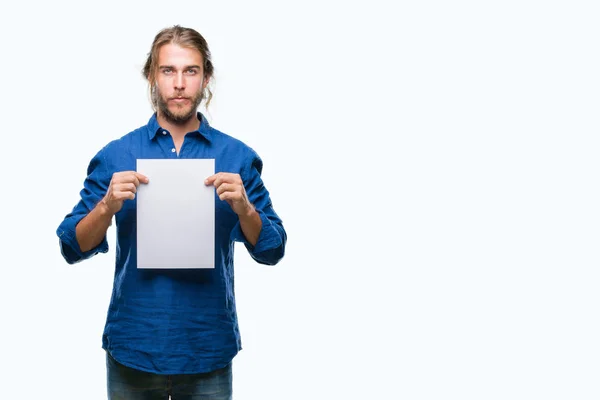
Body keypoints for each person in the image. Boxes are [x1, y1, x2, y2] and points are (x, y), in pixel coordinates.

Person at [56, 25, 287, 399]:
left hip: (207, 347)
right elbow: (70, 245)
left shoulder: (237, 157)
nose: (179, 83)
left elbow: (273, 248)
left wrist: (245, 209)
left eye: (190, 71)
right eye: (168, 71)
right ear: (152, 76)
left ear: (205, 78)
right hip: (134, 343)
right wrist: (106, 206)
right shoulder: (117, 154)